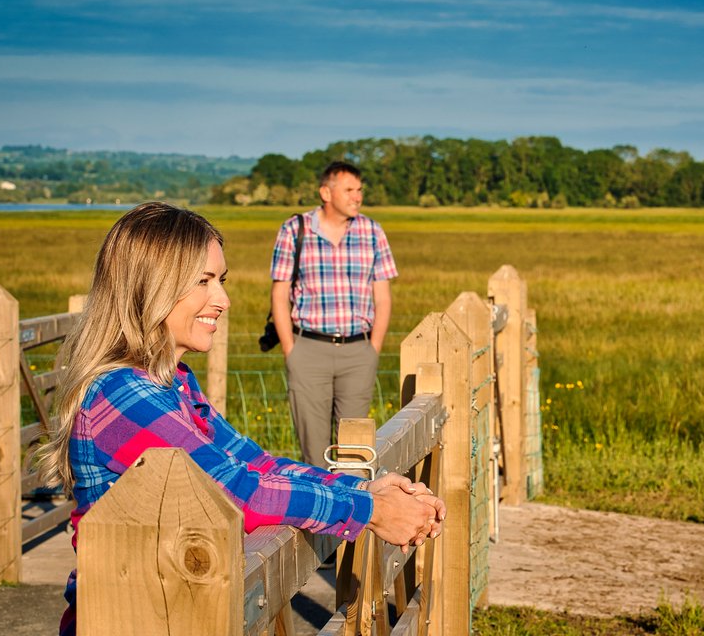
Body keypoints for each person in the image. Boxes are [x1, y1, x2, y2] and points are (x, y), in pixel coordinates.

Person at [37, 202, 443, 636]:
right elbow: (237, 494)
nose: (223, 300)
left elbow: (255, 465)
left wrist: (360, 487)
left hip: (176, 610)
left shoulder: (173, 384)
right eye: (203, 281)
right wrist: (369, 510)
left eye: (221, 281)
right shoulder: (124, 396)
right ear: (150, 286)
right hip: (134, 617)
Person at [269, 161, 397, 468]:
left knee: (355, 452)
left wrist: (372, 350)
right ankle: (319, 515)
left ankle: (354, 513)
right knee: (314, 453)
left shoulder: (372, 231)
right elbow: (279, 294)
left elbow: (383, 297)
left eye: (359, 190)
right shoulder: (294, 230)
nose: (357, 197)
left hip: (358, 352)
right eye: (349, 190)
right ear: (326, 192)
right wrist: (292, 352)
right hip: (309, 350)